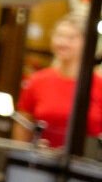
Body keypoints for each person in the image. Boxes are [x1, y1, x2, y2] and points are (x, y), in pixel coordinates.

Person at [14, 13, 102, 148]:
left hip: (87, 164)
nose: (62, 43)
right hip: (42, 159)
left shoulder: (97, 84)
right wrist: (22, 151)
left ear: (88, 42)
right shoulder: (38, 80)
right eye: (59, 35)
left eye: (71, 38)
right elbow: (22, 124)